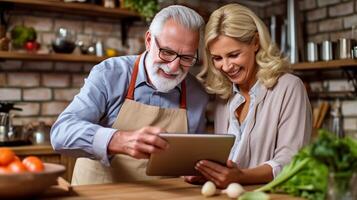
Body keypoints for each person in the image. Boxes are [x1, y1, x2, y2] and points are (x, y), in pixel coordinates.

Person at [50, 5, 208, 185]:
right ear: (149, 40)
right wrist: (117, 140)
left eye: (186, 58)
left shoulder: (197, 95)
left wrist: (196, 170)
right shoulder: (110, 74)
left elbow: (189, 162)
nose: (173, 67)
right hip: (97, 194)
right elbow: (61, 133)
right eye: (167, 52)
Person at [185, 4, 312, 188]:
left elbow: (291, 161)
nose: (226, 67)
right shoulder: (224, 95)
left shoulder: (289, 87)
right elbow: (227, 161)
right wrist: (210, 172)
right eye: (218, 58)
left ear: (255, 42)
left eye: (234, 55)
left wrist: (240, 177)